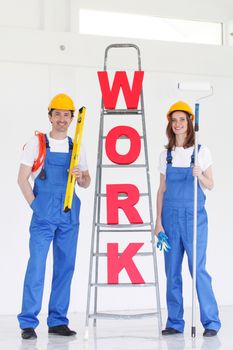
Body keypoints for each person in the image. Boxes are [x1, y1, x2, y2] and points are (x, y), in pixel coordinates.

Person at [17, 93, 91, 339]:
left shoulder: (77, 146)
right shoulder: (36, 143)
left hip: (69, 216)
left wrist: (81, 176)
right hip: (43, 215)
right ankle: (28, 322)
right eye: (57, 114)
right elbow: (22, 178)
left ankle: (58, 321)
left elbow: (87, 183)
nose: (62, 119)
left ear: (71, 118)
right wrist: (36, 208)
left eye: (66, 115)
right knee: (36, 266)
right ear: (50, 116)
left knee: (65, 268)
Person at [154, 101, 221, 337]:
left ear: (190, 122)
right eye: (174, 120)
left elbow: (211, 185)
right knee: (171, 271)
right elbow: (161, 189)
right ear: (170, 125)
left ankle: (211, 322)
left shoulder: (201, 151)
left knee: (198, 269)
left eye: (182, 120)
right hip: (169, 219)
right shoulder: (166, 155)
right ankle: (174, 322)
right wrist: (158, 221)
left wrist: (200, 174)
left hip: (194, 218)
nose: (178, 124)